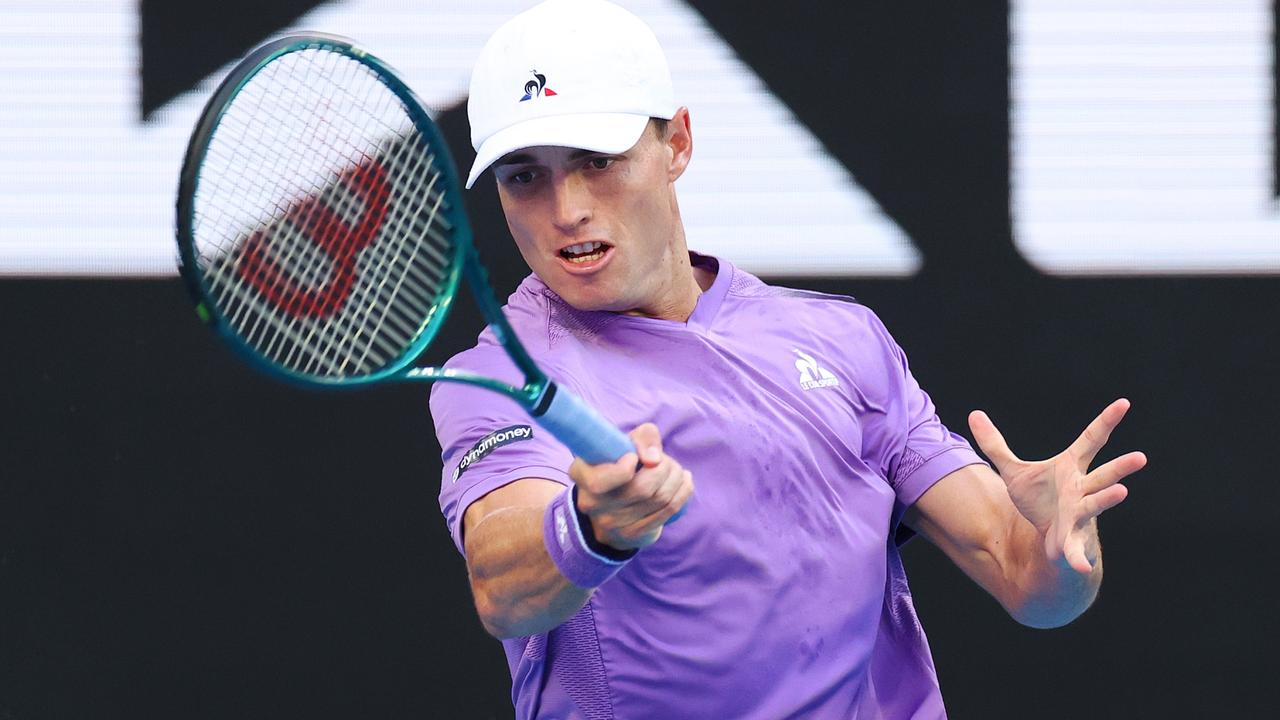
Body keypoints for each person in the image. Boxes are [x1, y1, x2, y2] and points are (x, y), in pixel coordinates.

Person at [431, 1, 1147, 717]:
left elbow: (1027, 580)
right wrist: (590, 527)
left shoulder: (843, 341)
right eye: (525, 176)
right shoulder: (502, 377)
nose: (567, 209)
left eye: (597, 160)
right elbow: (502, 585)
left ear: (677, 143)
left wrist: (1060, 549)